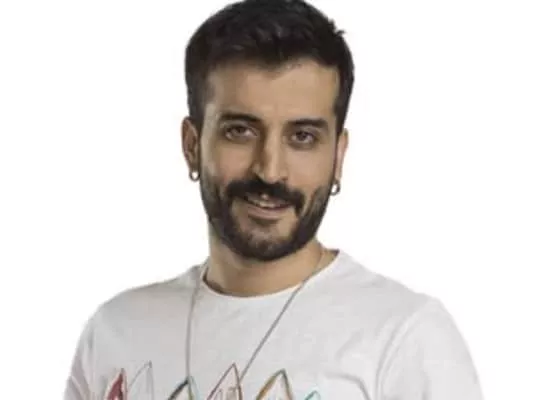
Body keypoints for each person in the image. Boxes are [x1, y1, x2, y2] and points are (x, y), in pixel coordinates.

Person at [64, 0, 483, 399]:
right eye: (240, 131)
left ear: (337, 157)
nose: (269, 170)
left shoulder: (405, 338)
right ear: (192, 145)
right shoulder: (115, 333)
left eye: (302, 137)